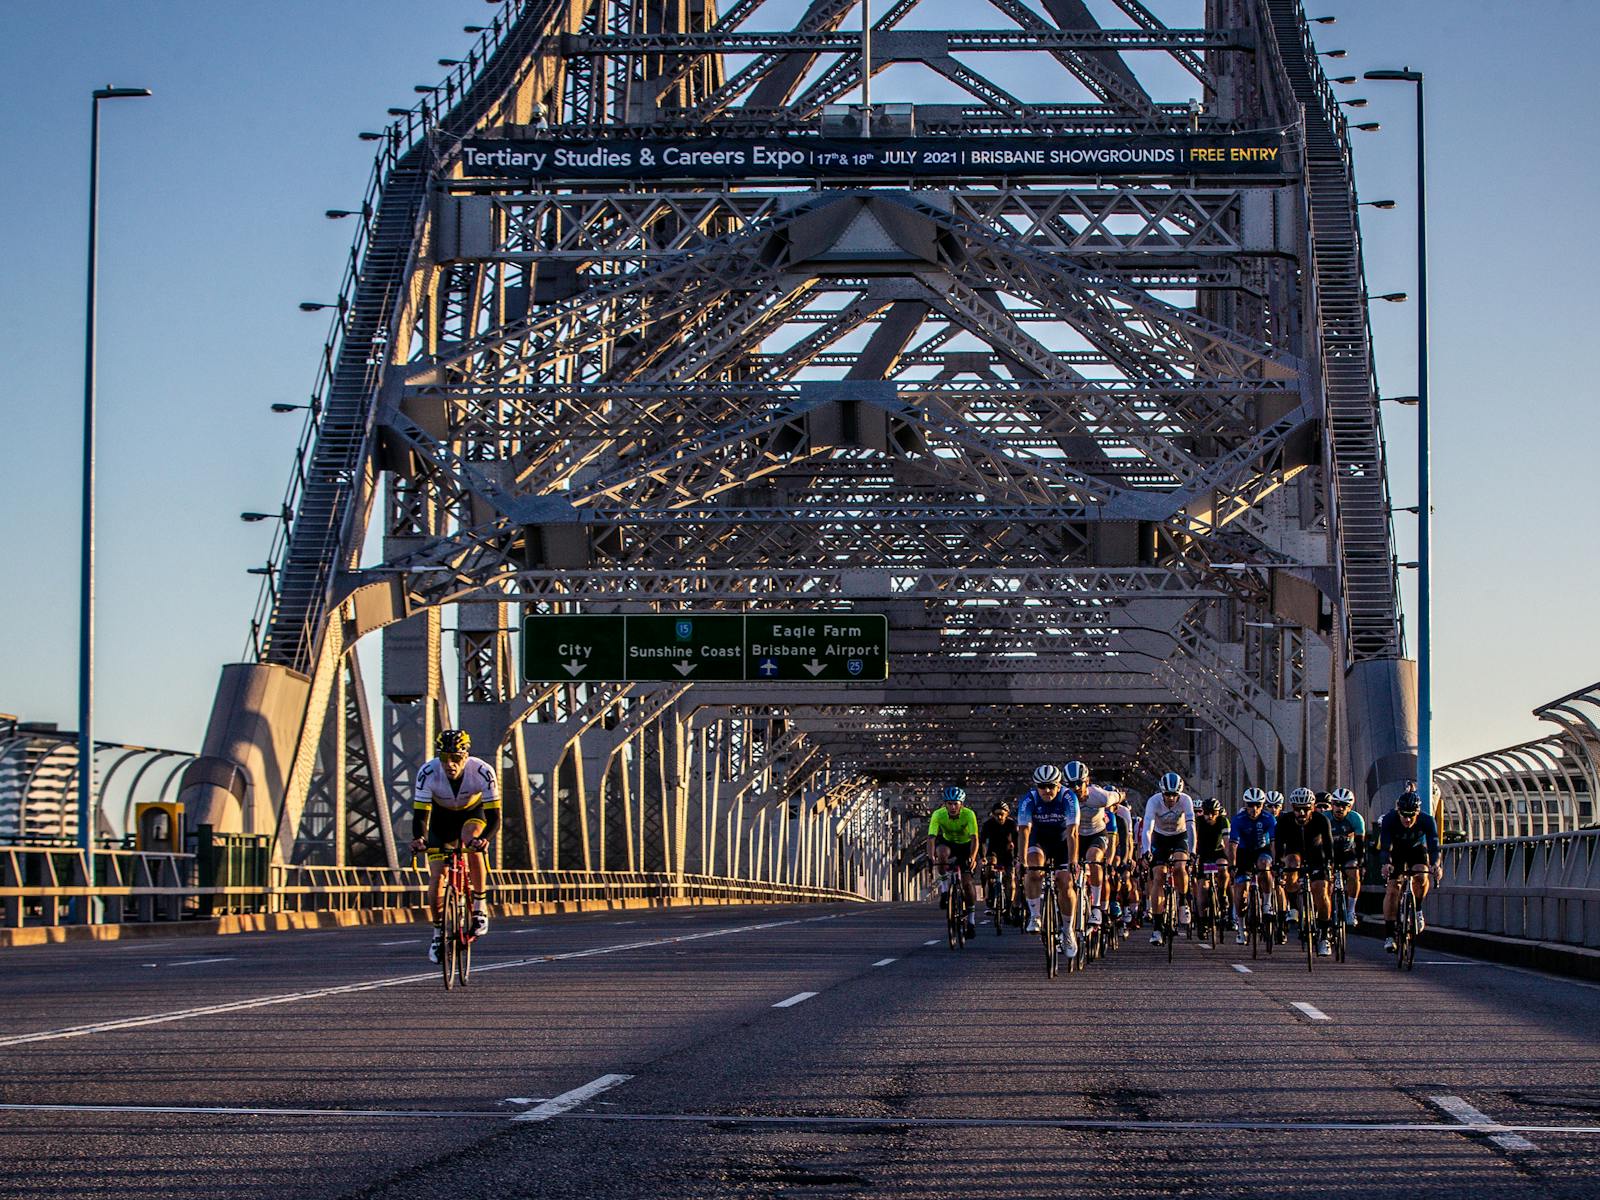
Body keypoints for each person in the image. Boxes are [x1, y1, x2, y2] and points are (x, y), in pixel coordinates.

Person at [411, 728, 500, 963]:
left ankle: (480, 907)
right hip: (441, 822)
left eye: (456, 758)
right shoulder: (427, 772)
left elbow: (495, 818)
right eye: (445, 758)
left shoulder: (482, 771)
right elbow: (420, 816)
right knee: (437, 877)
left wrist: (485, 840)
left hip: (472, 814)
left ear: (466, 756)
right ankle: (438, 934)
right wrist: (420, 839)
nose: (450, 764)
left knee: (471, 840)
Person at [1016, 763, 1080, 958]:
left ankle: (1068, 930)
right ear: (1036, 786)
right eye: (1042, 786)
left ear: (1059, 785)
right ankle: (1035, 915)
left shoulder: (1068, 797)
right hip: (1039, 839)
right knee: (1033, 870)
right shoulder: (1029, 799)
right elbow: (1024, 831)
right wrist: (1021, 861)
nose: (1047, 790)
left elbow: (1073, 833)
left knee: (1065, 881)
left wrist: (1073, 861)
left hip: (1062, 841)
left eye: (1051, 786)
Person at [1377, 785, 1442, 952]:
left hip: (1416, 849)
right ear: (1398, 811)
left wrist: (1436, 865)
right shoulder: (1389, 819)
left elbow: (1434, 846)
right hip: (1396, 851)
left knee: (1421, 874)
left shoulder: (1427, 820)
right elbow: (1385, 846)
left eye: (1411, 815)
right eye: (1404, 815)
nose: (1407, 819)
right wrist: (1386, 864)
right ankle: (1390, 935)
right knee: (1392, 889)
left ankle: (1418, 909)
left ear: (1417, 813)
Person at [1274, 787, 1336, 956]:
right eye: (1297, 809)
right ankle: (1293, 906)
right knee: (1291, 863)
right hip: (1294, 855)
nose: (1301, 812)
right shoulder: (1284, 820)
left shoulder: (1321, 820)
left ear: (1313, 807)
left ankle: (1324, 935)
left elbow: (1329, 845)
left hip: (1317, 856)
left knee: (1321, 892)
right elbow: (1279, 846)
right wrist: (1278, 864)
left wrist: (1330, 865)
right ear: (1292, 807)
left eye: (1306, 809)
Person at [1139, 772, 1195, 945]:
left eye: (1174, 795)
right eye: (1167, 795)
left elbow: (1191, 826)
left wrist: (1192, 851)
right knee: (1158, 876)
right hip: (1160, 838)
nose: (1171, 799)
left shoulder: (1186, 800)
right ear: (1162, 793)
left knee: (1180, 867)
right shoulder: (1153, 801)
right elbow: (1148, 826)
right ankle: (1157, 927)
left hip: (1180, 836)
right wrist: (1146, 850)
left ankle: (1183, 901)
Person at [1063, 761, 1118, 929]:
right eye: (1071, 785)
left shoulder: (1100, 796)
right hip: (1075, 836)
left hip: (1096, 834)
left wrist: (1121, 796)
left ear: (1087, 781)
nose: (1076, 788)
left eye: (1080, 783)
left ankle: (1096, 908)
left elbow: (1118, 796)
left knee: (1093, 859)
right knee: (1065, 873)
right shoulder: (1064, 798)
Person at [927, 786, 980, 938]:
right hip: (948, 843)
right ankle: (944, 889)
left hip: (965, 846)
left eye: (955, 803)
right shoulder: (938, 814)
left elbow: (975, 838)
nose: (952, 807)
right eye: (949, 804)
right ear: (944, 804)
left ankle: (971, 920)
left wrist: (972, 857)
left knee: (967, 884)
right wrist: (931, 857)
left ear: (961, 804)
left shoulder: (969, 814)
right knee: (941, 855)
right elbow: (931, 837)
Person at [1228, 787, 1276, 945]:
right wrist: (1232, 865)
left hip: (1262, 850)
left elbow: (1274, 843)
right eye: (1250, 805)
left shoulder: (1269, 818)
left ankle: (1267, 903)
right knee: (1241, 888)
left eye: (1257, 805)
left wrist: (1275, 863)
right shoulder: (1238, 819)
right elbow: (1233, 845)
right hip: (1243, 852)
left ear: (1262, 805)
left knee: (1265, 866)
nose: (1254, 809)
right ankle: (1241, 928)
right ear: (1246, 804)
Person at [1192, 797, 1231, 936]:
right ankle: (1202, 922)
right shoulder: (1199, 822)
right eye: (1207, 812)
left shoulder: (1223, 821)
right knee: (1202, 889)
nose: (1210, 816)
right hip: (1204, 855)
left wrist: (1231, 861)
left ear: (1218, 812)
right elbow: (1194, 841)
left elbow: (1227, 844)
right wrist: (1193, 858)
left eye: (1213, 813)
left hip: (1218, 852)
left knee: (1223, 867)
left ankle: (1223, 893)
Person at [1327, 788, 1365, 927]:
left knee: (1354, 873)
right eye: (1336, 804)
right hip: (1329, 853)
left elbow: (1360, 844)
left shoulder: (1355, 818)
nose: (1340, 808)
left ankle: (1351, 910)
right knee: (1326, 882)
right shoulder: (1325, 817)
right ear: (1332, 804)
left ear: (1350, 807)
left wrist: (1361, 863)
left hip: (1347, 852)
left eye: (1344, 805)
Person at [979, 800, 1018, 919]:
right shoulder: (988, 824)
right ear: (993, 814)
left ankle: (1010, 906)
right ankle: (989, 898)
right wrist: (983, 857)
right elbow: (982, 842)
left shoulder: (1012, 824)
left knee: (1009, 879)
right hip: (993, 853)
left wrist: (1017, 857)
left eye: (1002, 814)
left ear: (1007, 814)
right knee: (988, 871)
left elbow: (1017, 841)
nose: (999, 817)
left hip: (1007, 854)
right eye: (997, 814)